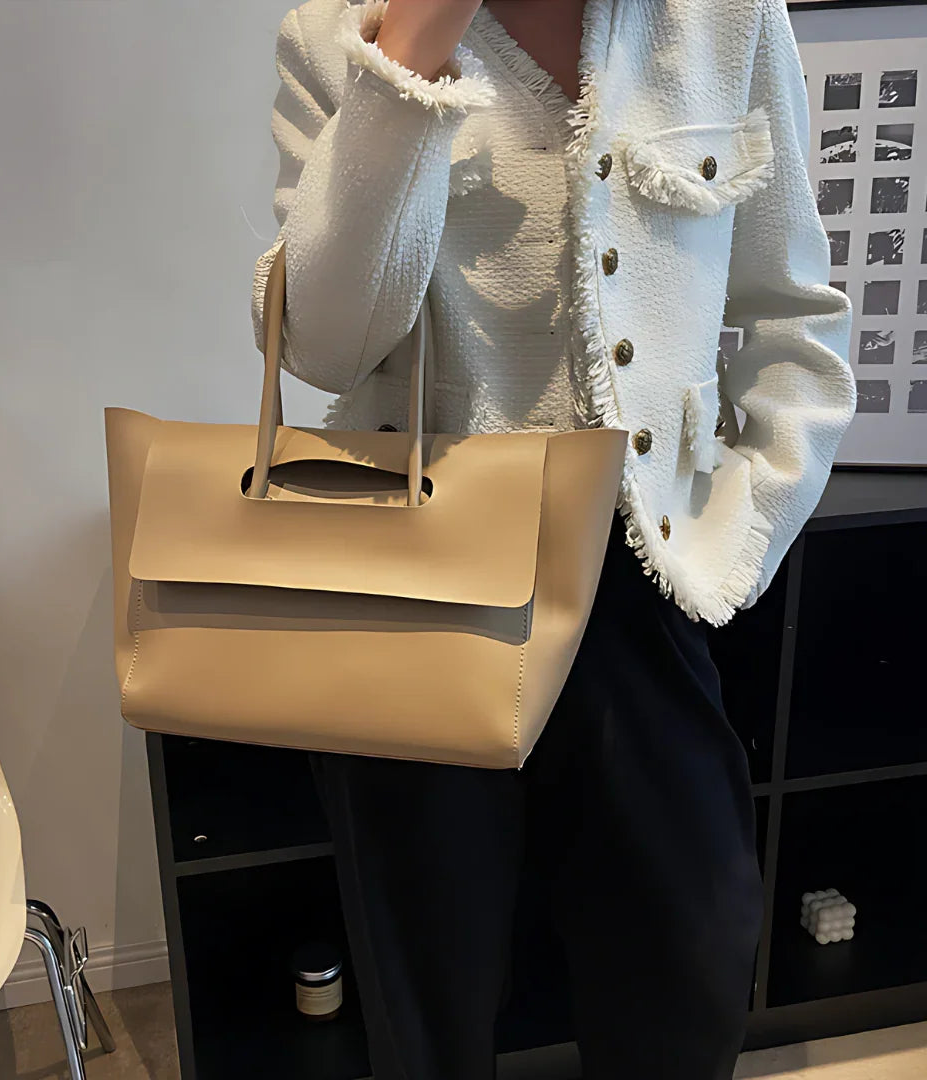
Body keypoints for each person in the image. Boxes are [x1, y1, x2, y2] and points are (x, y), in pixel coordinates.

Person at [250, 2, 855, 1077]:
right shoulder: (338, 31)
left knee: (689, 971)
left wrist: (741, 534)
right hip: (415, 590)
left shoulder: (721, 21)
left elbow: (793, 317)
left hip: (644, 569)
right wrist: (413, 57)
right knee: (428, 1003)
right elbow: (328, 348)